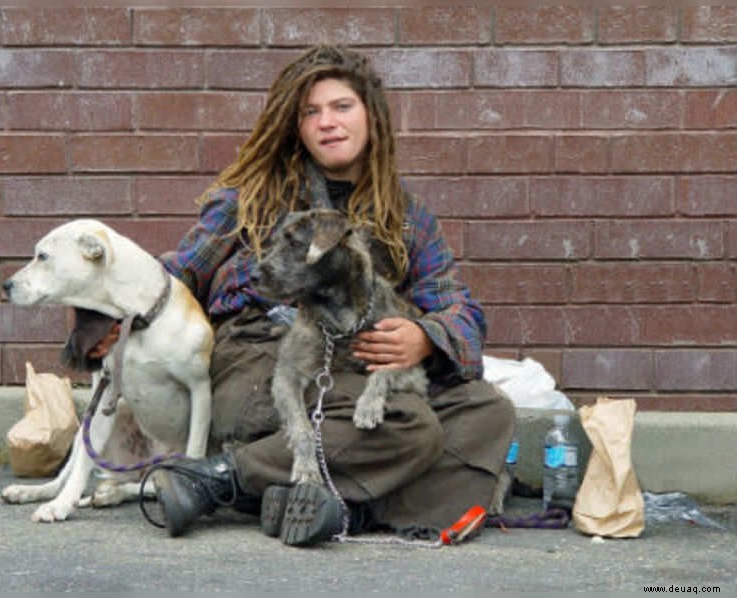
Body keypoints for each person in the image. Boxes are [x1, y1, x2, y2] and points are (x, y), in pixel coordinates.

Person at [91, 44, 515, 546]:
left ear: (372, 117)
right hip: (261, 365)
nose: (327, 122)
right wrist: (109, 314)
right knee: (407, 425)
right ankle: (218, 475)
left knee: (488, 411)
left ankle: (316, 505)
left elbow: (459, 307)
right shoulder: (253, 195)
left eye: (341, 107)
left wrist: (426, 337)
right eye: (311, 112)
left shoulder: (407, 216)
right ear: (296, 127)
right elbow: (181, 271)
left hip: (352, 368)